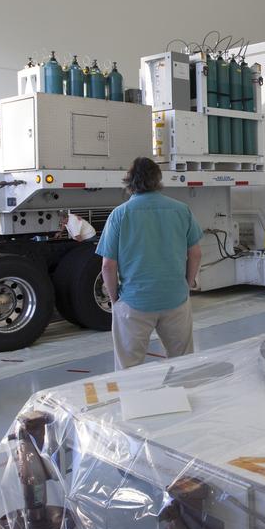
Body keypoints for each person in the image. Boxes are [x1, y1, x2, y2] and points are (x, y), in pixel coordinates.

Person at [96, 157, 202, 370]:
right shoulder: (182, 210)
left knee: (129, 368)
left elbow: (108, 265)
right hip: (175, 299)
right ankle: (183, 401)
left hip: (135, 302)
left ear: (130, 181)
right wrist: (186, 284)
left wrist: (116, 299)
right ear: (159, 179)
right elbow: (196, 253)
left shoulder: (120, 215)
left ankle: (134, 403)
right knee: (183, 363)